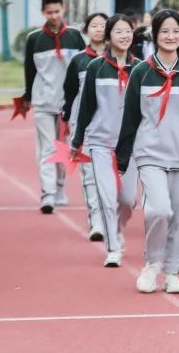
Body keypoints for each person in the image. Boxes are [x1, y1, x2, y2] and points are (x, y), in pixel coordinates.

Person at [116, 10, 179, 294]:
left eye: (175, 32)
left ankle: (173, 272)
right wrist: (122, 160)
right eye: (164, 32)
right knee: (158, 209)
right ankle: (152, 264)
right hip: (150, 155)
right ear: (154, 35)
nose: (170, 37)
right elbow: (131, 119)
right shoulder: (141, 72)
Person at [72, 14, 141, 268]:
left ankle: (118, 228)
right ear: (109, 36)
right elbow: (86, 107)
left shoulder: (141, 68)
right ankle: (113, 248)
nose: (124, 36)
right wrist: (77, 140)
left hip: (131, 145)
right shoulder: (96, 67)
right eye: (119, 31)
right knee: (106, 195)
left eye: (128, 31)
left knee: (127, 200)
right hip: (100, 142)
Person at [21, 0, 86, 213]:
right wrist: (28, 96)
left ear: (63, 9)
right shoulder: (34, 38)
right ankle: (47, 193)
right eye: (49, 12)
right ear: (43, 12)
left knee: (63, 148)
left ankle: (59, 188)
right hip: (43, 101)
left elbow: (82, 69)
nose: (54, 16)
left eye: (57, 11)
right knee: (47, 148)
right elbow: (29, 70)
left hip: (69, 103)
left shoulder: (76, 37)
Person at [60, 13, 107, 241]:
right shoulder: (79, 60)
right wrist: (68, 117)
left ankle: (112, 214)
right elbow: (69, 93)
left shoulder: (122, 59)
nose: (99, 29)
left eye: (103, 26)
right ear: (87, 30)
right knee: (89, 174)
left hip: (112, 126)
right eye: (94, 26)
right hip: (84, 125)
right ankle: (96, 220)